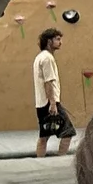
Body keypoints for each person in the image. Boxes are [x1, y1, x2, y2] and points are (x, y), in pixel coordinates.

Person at [32, 29, 75, 158]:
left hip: (42, 104)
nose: (60, 42)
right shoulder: (47, 59)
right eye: (57, 39)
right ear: (49, 41)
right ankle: (59, 161)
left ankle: (40, 162)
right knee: (68, 132)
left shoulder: (40, 57)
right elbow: (48, 82)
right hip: (49, 104)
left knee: (44, 136)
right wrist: (53, 104)